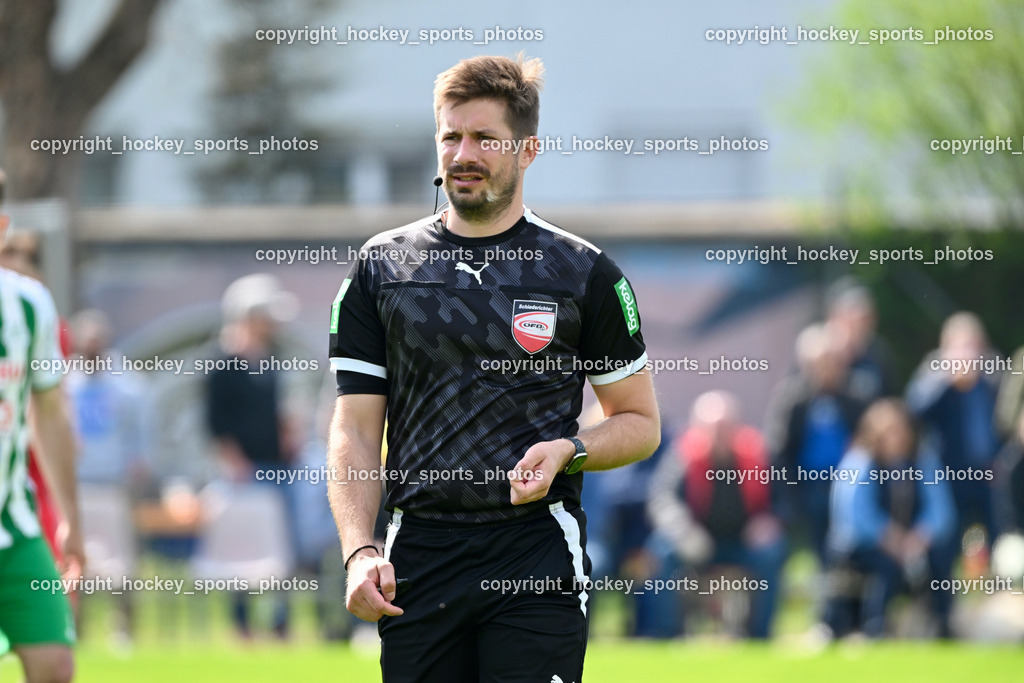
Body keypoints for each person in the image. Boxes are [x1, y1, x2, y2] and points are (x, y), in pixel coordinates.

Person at [327, 54, 660, 682]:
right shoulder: (382, 268)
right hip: (418, 553)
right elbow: (354, 430)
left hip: (534, 548)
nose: (463, 154)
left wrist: (570, 450)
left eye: (484, 138)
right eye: (451, 136)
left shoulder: (583, 273)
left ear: (529, 149)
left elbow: (640, 423)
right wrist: (358, 551)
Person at [0, 168, 82, 682]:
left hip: (15, 523)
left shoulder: (28, 304)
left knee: (55, 664)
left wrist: (70, 517)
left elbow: (48, 413)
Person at [647, 391, 786, 639]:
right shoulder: (682, 457)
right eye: (712, 429)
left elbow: (784, 500)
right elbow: (662, 499)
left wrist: (769, 522)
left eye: (725, 428)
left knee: (771, 553)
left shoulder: (759, 454)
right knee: (662, 550)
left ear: (737, 427)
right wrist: (684, 531)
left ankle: (759, 635)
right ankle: (669, 634)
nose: (718, 435)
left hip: (743, 544)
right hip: (697, 543)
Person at [206, 273, 298, 639]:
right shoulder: (223, 361)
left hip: (278, 466)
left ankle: (279, 622)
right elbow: (216, 420)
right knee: (242, 550)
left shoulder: (272, 359)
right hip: (245, 471)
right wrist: (234, 462)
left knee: (279, 548)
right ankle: (242, 624)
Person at [824, 399, 956, 638]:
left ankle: (943, 625)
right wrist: (892, 539)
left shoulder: (922, 460)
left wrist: (919, 537)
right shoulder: (859, 462)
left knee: (940, 556)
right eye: (887, 432)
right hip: (864, 545)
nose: (895, 438)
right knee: (885, 565)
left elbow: (940, 510)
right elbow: (856, 515)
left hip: (912, 542)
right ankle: (874, 627)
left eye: (899, 430)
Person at [764, 323, 866, 563]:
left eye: (833, 361)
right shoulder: (792, 398)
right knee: (820, 548)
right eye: (820, 363)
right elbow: (777, 447)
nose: (827, 369)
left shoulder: (856, 395)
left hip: (850, 484)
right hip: (808, 485)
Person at [906, 312, 1002, 551]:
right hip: (947, 473)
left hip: (988, 472)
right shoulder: (933, 372)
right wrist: (947, 379)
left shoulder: (992, 374)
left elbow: (1004, 421)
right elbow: (913, 412)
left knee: (997, 534)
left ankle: (998, 586)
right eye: (961, 346)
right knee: (947, 539)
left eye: (973, 345)